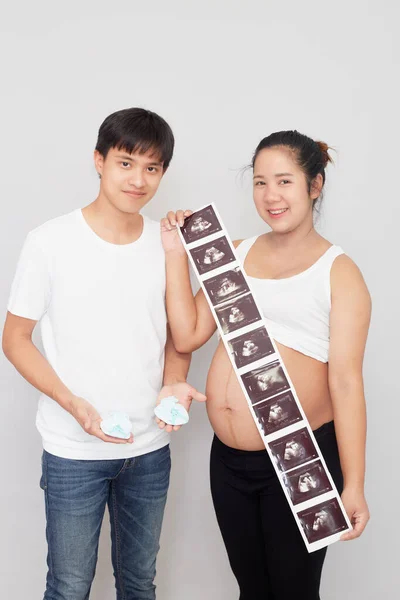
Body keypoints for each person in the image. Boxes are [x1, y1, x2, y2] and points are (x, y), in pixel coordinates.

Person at [2, 107, 205, 600]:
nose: (138, 180)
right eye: (125, 163)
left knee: (140, 583)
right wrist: (71, 404)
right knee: (69, 586)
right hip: (73, 451)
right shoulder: (49, 242)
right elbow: (14, 339)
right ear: (98, 160)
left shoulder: (166, 245)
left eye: (152, 168)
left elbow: (178, 338)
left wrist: (173, 382)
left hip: (150, 450)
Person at [160, 130, 371, 599]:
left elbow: (346, 383)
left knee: (293, 592)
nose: (271, 196)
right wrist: (178, 254)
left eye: (284, 182)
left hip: (301, 455)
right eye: (259, 182)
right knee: (251, 590)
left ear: (314, 186)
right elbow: (188, 333)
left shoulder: (338, 271)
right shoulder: (233, 253)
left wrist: (353, 484)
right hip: (230, 462)